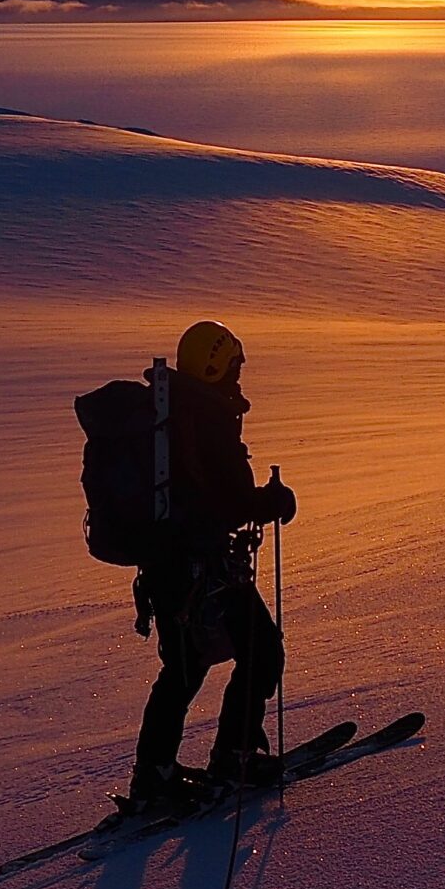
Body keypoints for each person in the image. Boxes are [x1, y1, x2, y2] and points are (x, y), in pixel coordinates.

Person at [129, 320, 298, 807]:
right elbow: (228, 501)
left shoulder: (175, 411)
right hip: (202, 566)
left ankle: (156, 772)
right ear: (218, 366)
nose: (240, 374)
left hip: (173, 566)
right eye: (235, 364)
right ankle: (232, 756)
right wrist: (271, 502)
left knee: (185, 666)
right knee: (259, 650)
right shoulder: (205, 417)